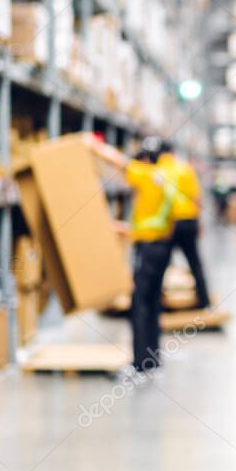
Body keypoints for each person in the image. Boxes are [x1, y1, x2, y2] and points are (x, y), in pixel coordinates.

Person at [90, 136, 175, 371]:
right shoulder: (165, 178)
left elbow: (120, 162)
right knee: (153, 302)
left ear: (147, 159)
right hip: (161, 246)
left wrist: (93, 145)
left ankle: (140, 363)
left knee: (139, 304)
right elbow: (157, 219)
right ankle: (153, 358)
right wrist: (128, 230)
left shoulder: (147, 175)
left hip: (147, 249)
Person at [159, 143, 211, 311]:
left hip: (169, 224)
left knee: (162, 263)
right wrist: (198, 222)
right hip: (188, 221)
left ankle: (160, 302)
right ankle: (204, 301)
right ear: (173, 152)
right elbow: (196, 197)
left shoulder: (158, 171)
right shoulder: (186, 169)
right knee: (195, 262)